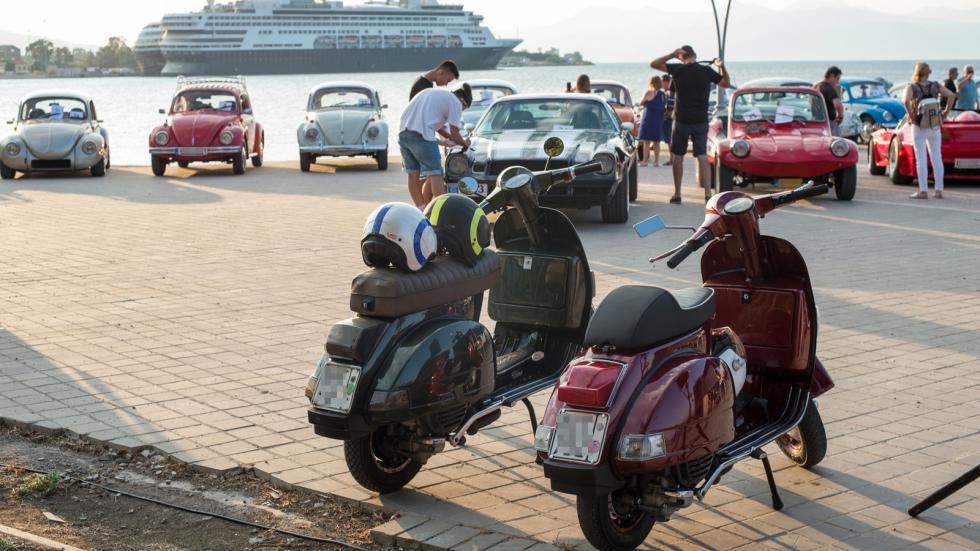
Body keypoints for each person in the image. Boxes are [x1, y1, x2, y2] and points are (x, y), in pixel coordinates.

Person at [650, 45, 730, 204]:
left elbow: (654, 64)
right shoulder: (706, 71)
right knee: (702, 156)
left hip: (682, 121)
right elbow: (726, 83)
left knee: (678, 157)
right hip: (700, 121)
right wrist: (722, 67)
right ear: (695, 55)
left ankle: (678, 194)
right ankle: (708, 194)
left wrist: (672, 53)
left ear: (682, 56)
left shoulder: (678, 70)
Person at [399, 84, 473, 207]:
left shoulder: (436, 95)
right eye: (463, 108)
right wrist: (465, 144)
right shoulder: (455, 102)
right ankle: (441, 210)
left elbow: (437, 127)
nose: (461, 111)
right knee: (436, 174)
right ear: (462, 101)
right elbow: (455, 133)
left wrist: (446, 139)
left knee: (412, 175)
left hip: (403, 134)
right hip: (421, 136)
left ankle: (421, 210)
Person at [903, 62, 956, 199]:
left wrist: (910, 114)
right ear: (928, 72)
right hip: (935, 126)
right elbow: (951, 95)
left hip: (919, 125)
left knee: (921, 158)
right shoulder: (935, 85)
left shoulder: (912, 87)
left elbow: (905, 100)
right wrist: (945, 113)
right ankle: (939, 190)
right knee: (936, 157)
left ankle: (923, 191)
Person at [637, 76, 667, 166]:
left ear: (651, 83)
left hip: (648, 118)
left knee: (646, 141)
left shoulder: (648, 92)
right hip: (658, 119)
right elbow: (664, 106)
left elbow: (641, 103)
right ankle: (656, 162)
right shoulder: (662, 94)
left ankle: (645, 161)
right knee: (656, 142)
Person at [818, 66, 844, 137]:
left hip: (817, 122)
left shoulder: (817, 87)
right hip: (829, 123)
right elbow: (838, 105)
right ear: (832, 76)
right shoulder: (829, 89)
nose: (838, 81)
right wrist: (840, 117)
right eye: (837, 78)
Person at [662, 75, 675, 166]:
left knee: (669, 140)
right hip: (673, 119)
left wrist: (663, 117)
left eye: (662, 82)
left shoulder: (670, 93)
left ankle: (672, 159)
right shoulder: (670, 92)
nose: (662, 84)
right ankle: (672, 159)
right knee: (670, 140)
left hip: (669, 120)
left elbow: (670, 109)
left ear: (666, 82)